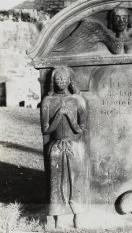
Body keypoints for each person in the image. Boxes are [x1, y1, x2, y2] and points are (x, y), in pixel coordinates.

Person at [41, 66, 88, 228]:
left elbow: (81, 129)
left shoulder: (78, 100)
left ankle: (78, 215)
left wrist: (69, 115)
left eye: (64, 79)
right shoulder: (48, 101)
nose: (61, 82)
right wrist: (58, 116)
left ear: (70, 80)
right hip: (55, 148)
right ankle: (58, 217)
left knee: (77, 182)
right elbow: (45, 130)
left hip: (75, 147)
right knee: (56, 184)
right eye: (58, 79)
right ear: (53, 81)